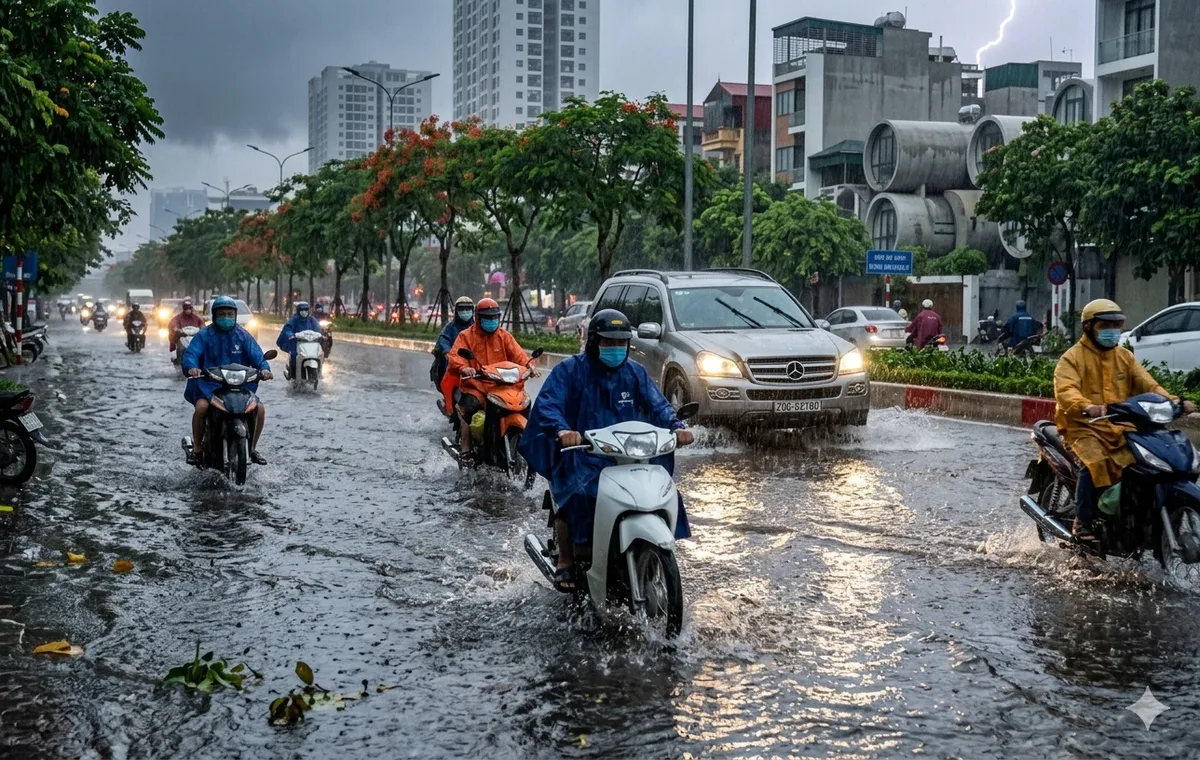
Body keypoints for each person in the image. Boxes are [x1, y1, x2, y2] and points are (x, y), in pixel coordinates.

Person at [519, 309, 696, 587]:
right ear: (593, 342)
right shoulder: (570, 370)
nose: (615, 349)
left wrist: (677, 426)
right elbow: (549, 405)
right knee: (576, 494)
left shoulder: (635, 373)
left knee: (664, 491)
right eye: (608, 343)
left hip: (628, 456)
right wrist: (563, 430)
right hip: (585, 456)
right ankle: (566, 559)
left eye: (620, 343)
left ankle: (655, 547)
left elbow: (657, 404)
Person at [1054, 299, 1196, 540]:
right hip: (1082, 427)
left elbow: (1148, 384)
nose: (1113, 331)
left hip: (1119, 426)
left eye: (1117, 325)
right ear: (1089, 327)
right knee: (1095, 462)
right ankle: (1083, 521)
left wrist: (1174, 403)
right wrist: (1087, 407)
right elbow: (1066, 390)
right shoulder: (1072, 358)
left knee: (1145, 462)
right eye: (1106, 326)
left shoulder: (1124, 357)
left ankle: (1128, 517)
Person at [183, 296, 273, 466]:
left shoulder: (243, 335)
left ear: (235, 315)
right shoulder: (204, 335)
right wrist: (192, 367)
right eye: (222, 314)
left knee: (259, 409)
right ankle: (196, 450)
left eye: (229, 314)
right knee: (202, 407)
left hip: (239, 386)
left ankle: (252, 449)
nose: (226, 317)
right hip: (210, 385)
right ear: (215, 315)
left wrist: (265, 369)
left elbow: (257, 355)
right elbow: (191, 354)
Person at [446, 297, 529, 457]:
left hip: (503, 386)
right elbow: (455, 356)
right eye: (487, 318)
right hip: (476, 386)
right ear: (478, 318)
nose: (491, 321)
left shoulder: (504, 336)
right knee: (468, 409)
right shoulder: (466, 336)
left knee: (524, 404)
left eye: (494, 317)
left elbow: (519, 355)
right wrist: (464, 368)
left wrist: (529, 367)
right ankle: (466, 450)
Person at [432, 296, 476, 386]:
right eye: (462, 309)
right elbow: (443, 342)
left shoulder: (477, 327)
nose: (465, 312)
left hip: (475, 367)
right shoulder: (450, 328)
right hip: (452, 368)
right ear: (456, 311)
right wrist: (449, 355)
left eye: (468, 309)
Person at [275, 301, 321, 380]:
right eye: (302, 310)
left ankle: (318, 372)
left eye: (306, 310)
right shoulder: (294, 319)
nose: (304, 312)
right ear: (298, 311)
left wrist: (320, 334)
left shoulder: (312, 319)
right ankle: (292, 373)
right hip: (297, 343)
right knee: (294, 355)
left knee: (319, 353)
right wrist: (290, 334)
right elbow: (288, 328)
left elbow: (317, 328)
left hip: (310, 343)